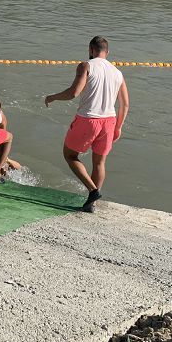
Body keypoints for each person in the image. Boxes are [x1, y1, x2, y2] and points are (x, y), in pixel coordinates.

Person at [44, 36, 130, 213]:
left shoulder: (86, 66)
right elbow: (125, 104)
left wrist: (52, 97)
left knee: (70, 155)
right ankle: (91, 204)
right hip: (110, 121)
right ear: (107, 52)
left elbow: (73, 93)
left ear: (91, 50)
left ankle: (93, 191)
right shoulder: (117, 72)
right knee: (99, 162)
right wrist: (119, 126)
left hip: (88, 119)